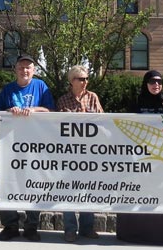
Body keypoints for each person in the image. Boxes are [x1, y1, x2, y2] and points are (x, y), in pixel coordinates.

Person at [116, 70, 163, 246]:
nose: (156, 85)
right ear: (146, 84)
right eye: (153, 82)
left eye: (159, 82)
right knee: (140, 191)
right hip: (140, 156)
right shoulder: (137, 102)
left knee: (161, 193)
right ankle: (133, 233)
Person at [0, 54, 55, 242]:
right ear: (16, 70)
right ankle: (10, 225)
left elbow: (51, 111)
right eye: (21, 67)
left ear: (34, 70)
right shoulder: (8, 90)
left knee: (34, 184)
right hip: (11, 145)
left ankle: (31, 226)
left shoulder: (41, 87)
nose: (25, 71)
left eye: (28, 67)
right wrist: (9, 111)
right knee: (8, 182)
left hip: (35, 145)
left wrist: (34, 110)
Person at [56, 65, 102, 242]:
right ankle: (70, 228)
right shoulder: (63, 101)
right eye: (81, 79)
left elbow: (102, 120)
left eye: (86, 79)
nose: (85, 82)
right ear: (71, 81)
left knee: (88, 190)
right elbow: (59, 127)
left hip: (89, 153)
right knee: (68, 190)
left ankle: (87, 227)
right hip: (69, 154)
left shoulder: (93, 98)